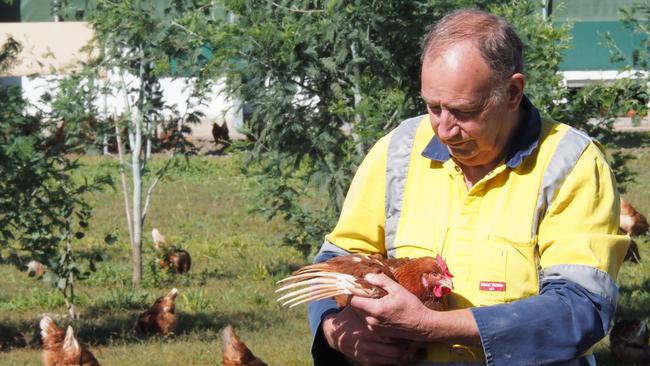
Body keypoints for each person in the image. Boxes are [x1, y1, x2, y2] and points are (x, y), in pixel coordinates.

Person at [307, 8, 629, 366]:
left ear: (512, 92)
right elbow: (334, 262)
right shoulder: (398, 149)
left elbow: (580, 309)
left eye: (463, 111)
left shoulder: (571, 163)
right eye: (433, 107)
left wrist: (431, 326)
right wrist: (336, 329)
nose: (443, 128)